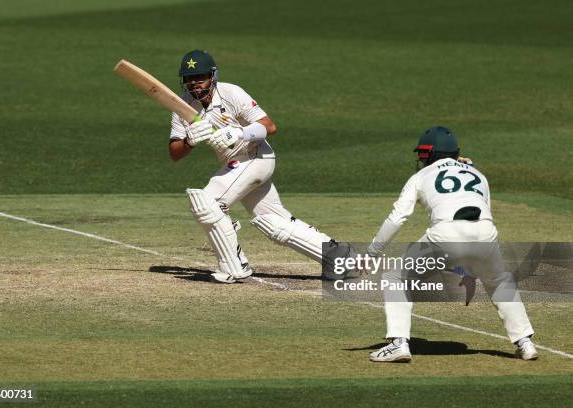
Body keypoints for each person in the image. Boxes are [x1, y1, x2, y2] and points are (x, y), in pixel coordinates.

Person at [169, 50, 344, 283]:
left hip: (256, 157)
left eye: (199, 77)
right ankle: (340, 258)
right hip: (235, 167)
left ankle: (233, 266)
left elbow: (269, 126)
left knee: (207, 203)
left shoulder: (231, 93)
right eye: (189, 79)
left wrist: (239, 132)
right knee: (274, 222)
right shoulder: (183, 107)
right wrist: (189, 141)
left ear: (212, 76)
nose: (194, 83)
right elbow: (175, 153)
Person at [366, 126, 537, 362]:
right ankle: (525, 343)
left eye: (422, 154)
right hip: (485, 232)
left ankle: (398, 344)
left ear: (429, 154)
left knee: (395, 278)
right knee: (499, 281)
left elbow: (398, 217)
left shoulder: (421, 176)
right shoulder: (479, 175)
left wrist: (373, 252)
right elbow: (486, 209)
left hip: (446, 233)